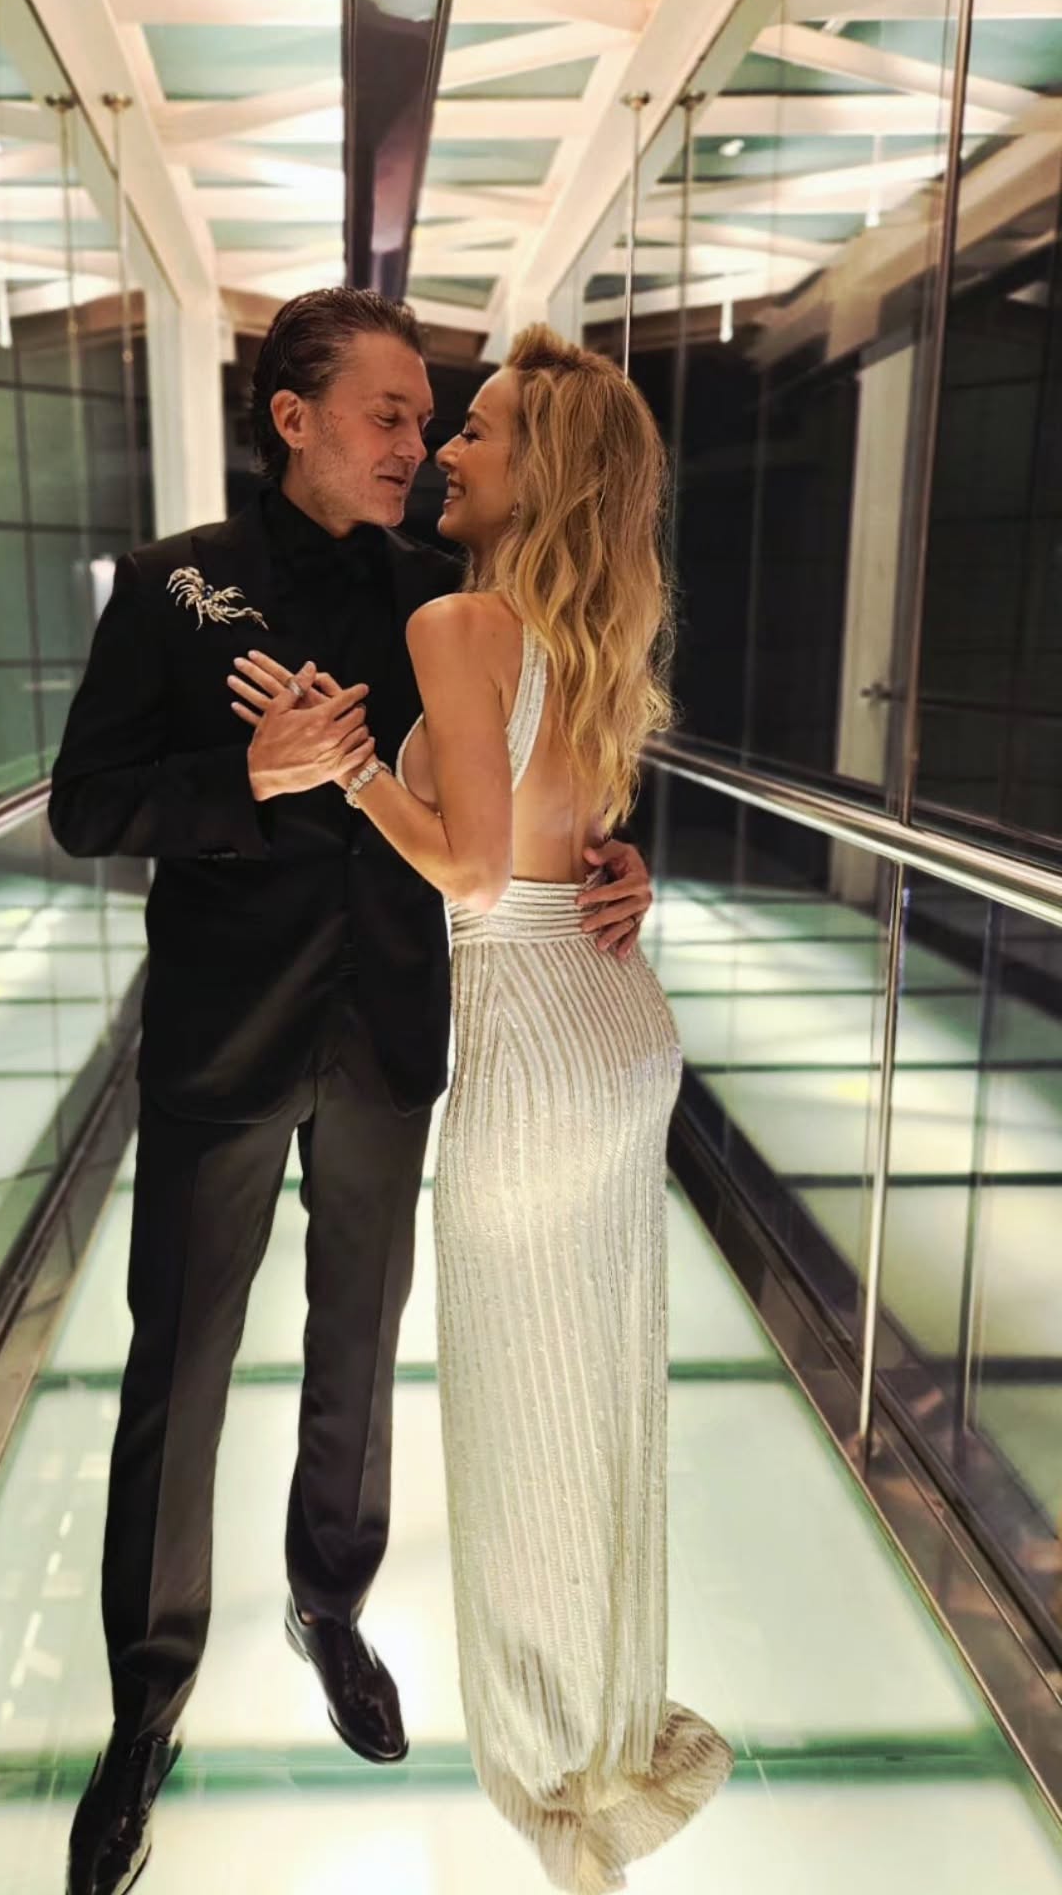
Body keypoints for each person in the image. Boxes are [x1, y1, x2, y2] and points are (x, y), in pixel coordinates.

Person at [49, 289, 656, 1895]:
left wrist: (613, 860)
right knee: (177, 1368)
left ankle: (332, 1605)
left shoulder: (447, 592)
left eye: (430, 418)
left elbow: (523, 782)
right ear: (293, 417)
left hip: (391, 1030)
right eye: (388, 413)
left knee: (360, 1347)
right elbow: (83, 806)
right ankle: (145, 1707)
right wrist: (248, 779)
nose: (416, 442)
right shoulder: (173, 586)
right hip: (221, 1036)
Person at [232, 326, 732, 1893]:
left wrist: (349, 767)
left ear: (545, 475)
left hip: (528, 1034)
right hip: (617, 1026)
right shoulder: (594, 630)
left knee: (523, 1423)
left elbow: (470, 869)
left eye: (483, 432)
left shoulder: (458, 622)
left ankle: (557, 1776)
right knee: (599, 1399)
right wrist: (610, 869)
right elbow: (569, 844)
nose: (447, 449)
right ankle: (601, 1724)